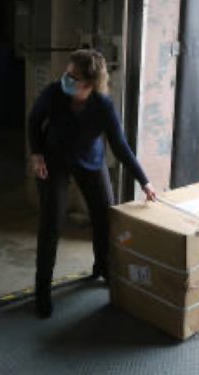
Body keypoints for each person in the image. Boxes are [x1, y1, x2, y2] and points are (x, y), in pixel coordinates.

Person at [28, 49, 157, 318]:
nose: (66, 78)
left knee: (104, 218)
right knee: (51, 225)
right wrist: (37, 153)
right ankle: (42, 291)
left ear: (89, 84)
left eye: (72, 76)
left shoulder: (103, 106)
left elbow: (120, 146)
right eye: (67, 72)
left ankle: (103, 267)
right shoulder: (54, 93)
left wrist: (144, 181)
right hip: (55, 160)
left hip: (91, 162)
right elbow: (34, 120)